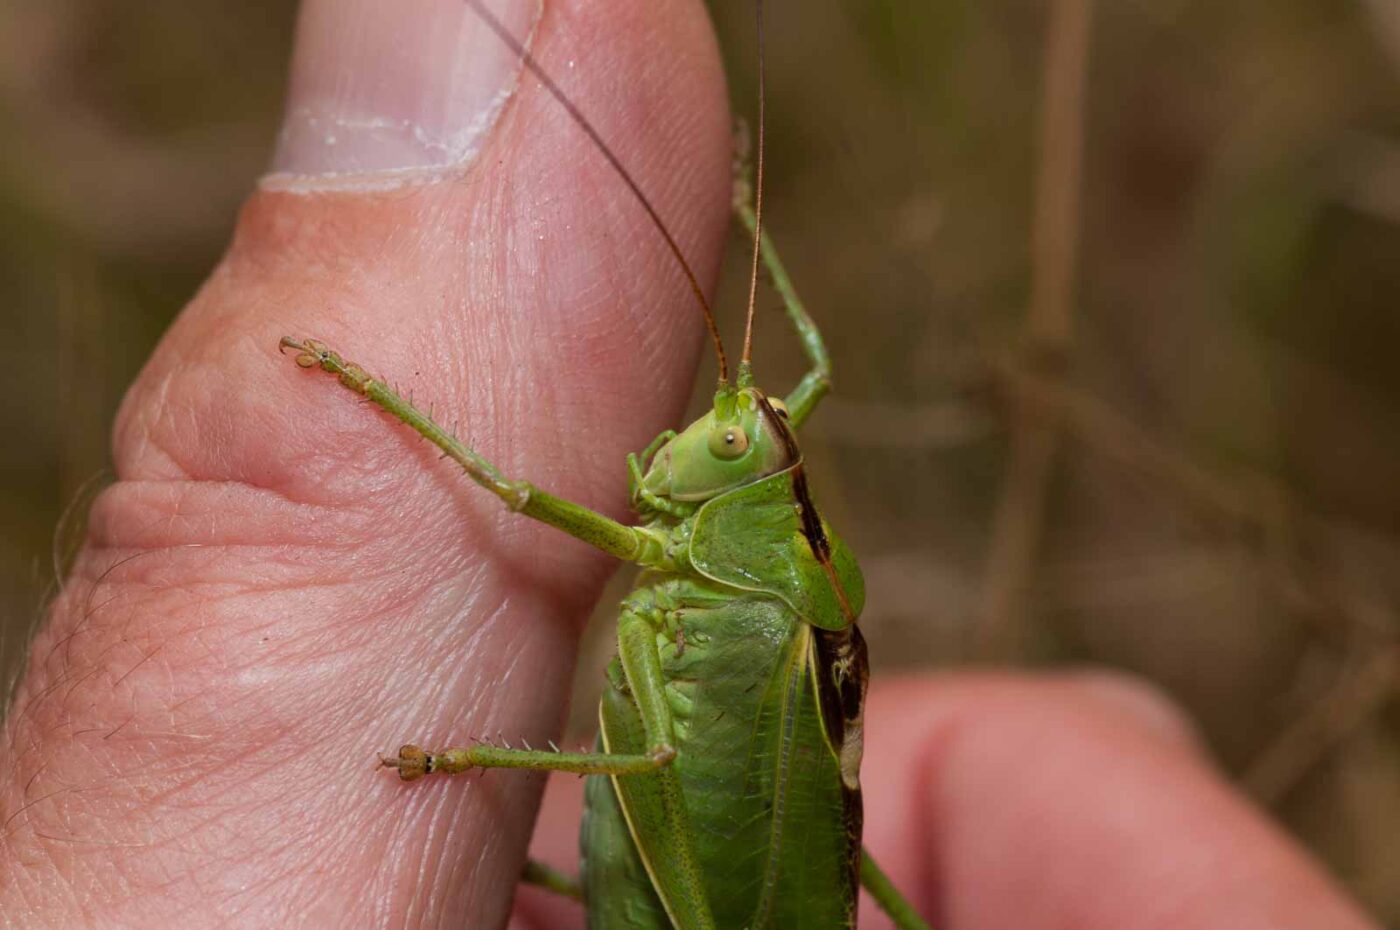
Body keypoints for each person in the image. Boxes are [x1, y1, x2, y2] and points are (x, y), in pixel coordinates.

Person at [0, 0, 1378, 926]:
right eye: (752, 421)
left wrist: (460, 745)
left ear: (753, 485)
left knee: (691, 760)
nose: (721, 429)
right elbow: (816, 364)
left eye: (738, 431)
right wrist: (732, 209)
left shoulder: (742, 587)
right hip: (683, 843)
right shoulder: (759, 562)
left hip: (698, 868)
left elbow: (553, 550)